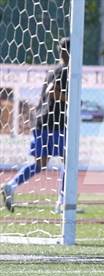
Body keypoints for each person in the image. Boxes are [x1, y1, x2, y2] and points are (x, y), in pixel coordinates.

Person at [1, 37, 70, 213]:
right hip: (55, 123)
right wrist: (70, 101)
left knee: (40, 163)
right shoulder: (65, 70)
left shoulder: (52, 70)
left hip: (41, 122)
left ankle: (11, 184)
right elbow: (53, 91)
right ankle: (62, 202)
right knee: (68, 163)